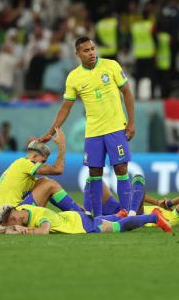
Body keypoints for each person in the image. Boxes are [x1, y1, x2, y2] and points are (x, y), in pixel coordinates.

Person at [40, 37, 135, 217]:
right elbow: (65, 107)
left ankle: (126, 214)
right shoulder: (74, 77)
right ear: (77, 54)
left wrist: (131, 122)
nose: (91, 53)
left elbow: (127, 93)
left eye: (93, 49)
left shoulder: (111, 66)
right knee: (94, 172)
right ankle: (97, 217)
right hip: (93, 132)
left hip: (115, 128)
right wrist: (51, 131)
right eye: (86, 50)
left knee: (121, 169)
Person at [0, 128, 83, 223]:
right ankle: (80, 216)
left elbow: (50, 193)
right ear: (34, 157)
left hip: (6, 216)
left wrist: (73, 204)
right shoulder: (26, 164)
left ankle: (76, 211)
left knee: (43, 181)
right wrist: (62, 145)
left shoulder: (19, 168)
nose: (43, 164)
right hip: (14, 215)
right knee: (50, 184)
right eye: (43, 161)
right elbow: (58, 169)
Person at [0, 203, 172, 235]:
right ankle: (117, 215)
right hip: (71, 217)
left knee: (119, 228)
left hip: (81, 224)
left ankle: (153, 217)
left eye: (11, 219)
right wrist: (9, 229)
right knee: (112, 220)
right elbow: (0, 229)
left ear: (16, 210)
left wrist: (23, 231)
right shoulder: (26, 210)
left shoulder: (42, 216)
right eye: (8, 222)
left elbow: (43, 232)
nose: (13, 223)